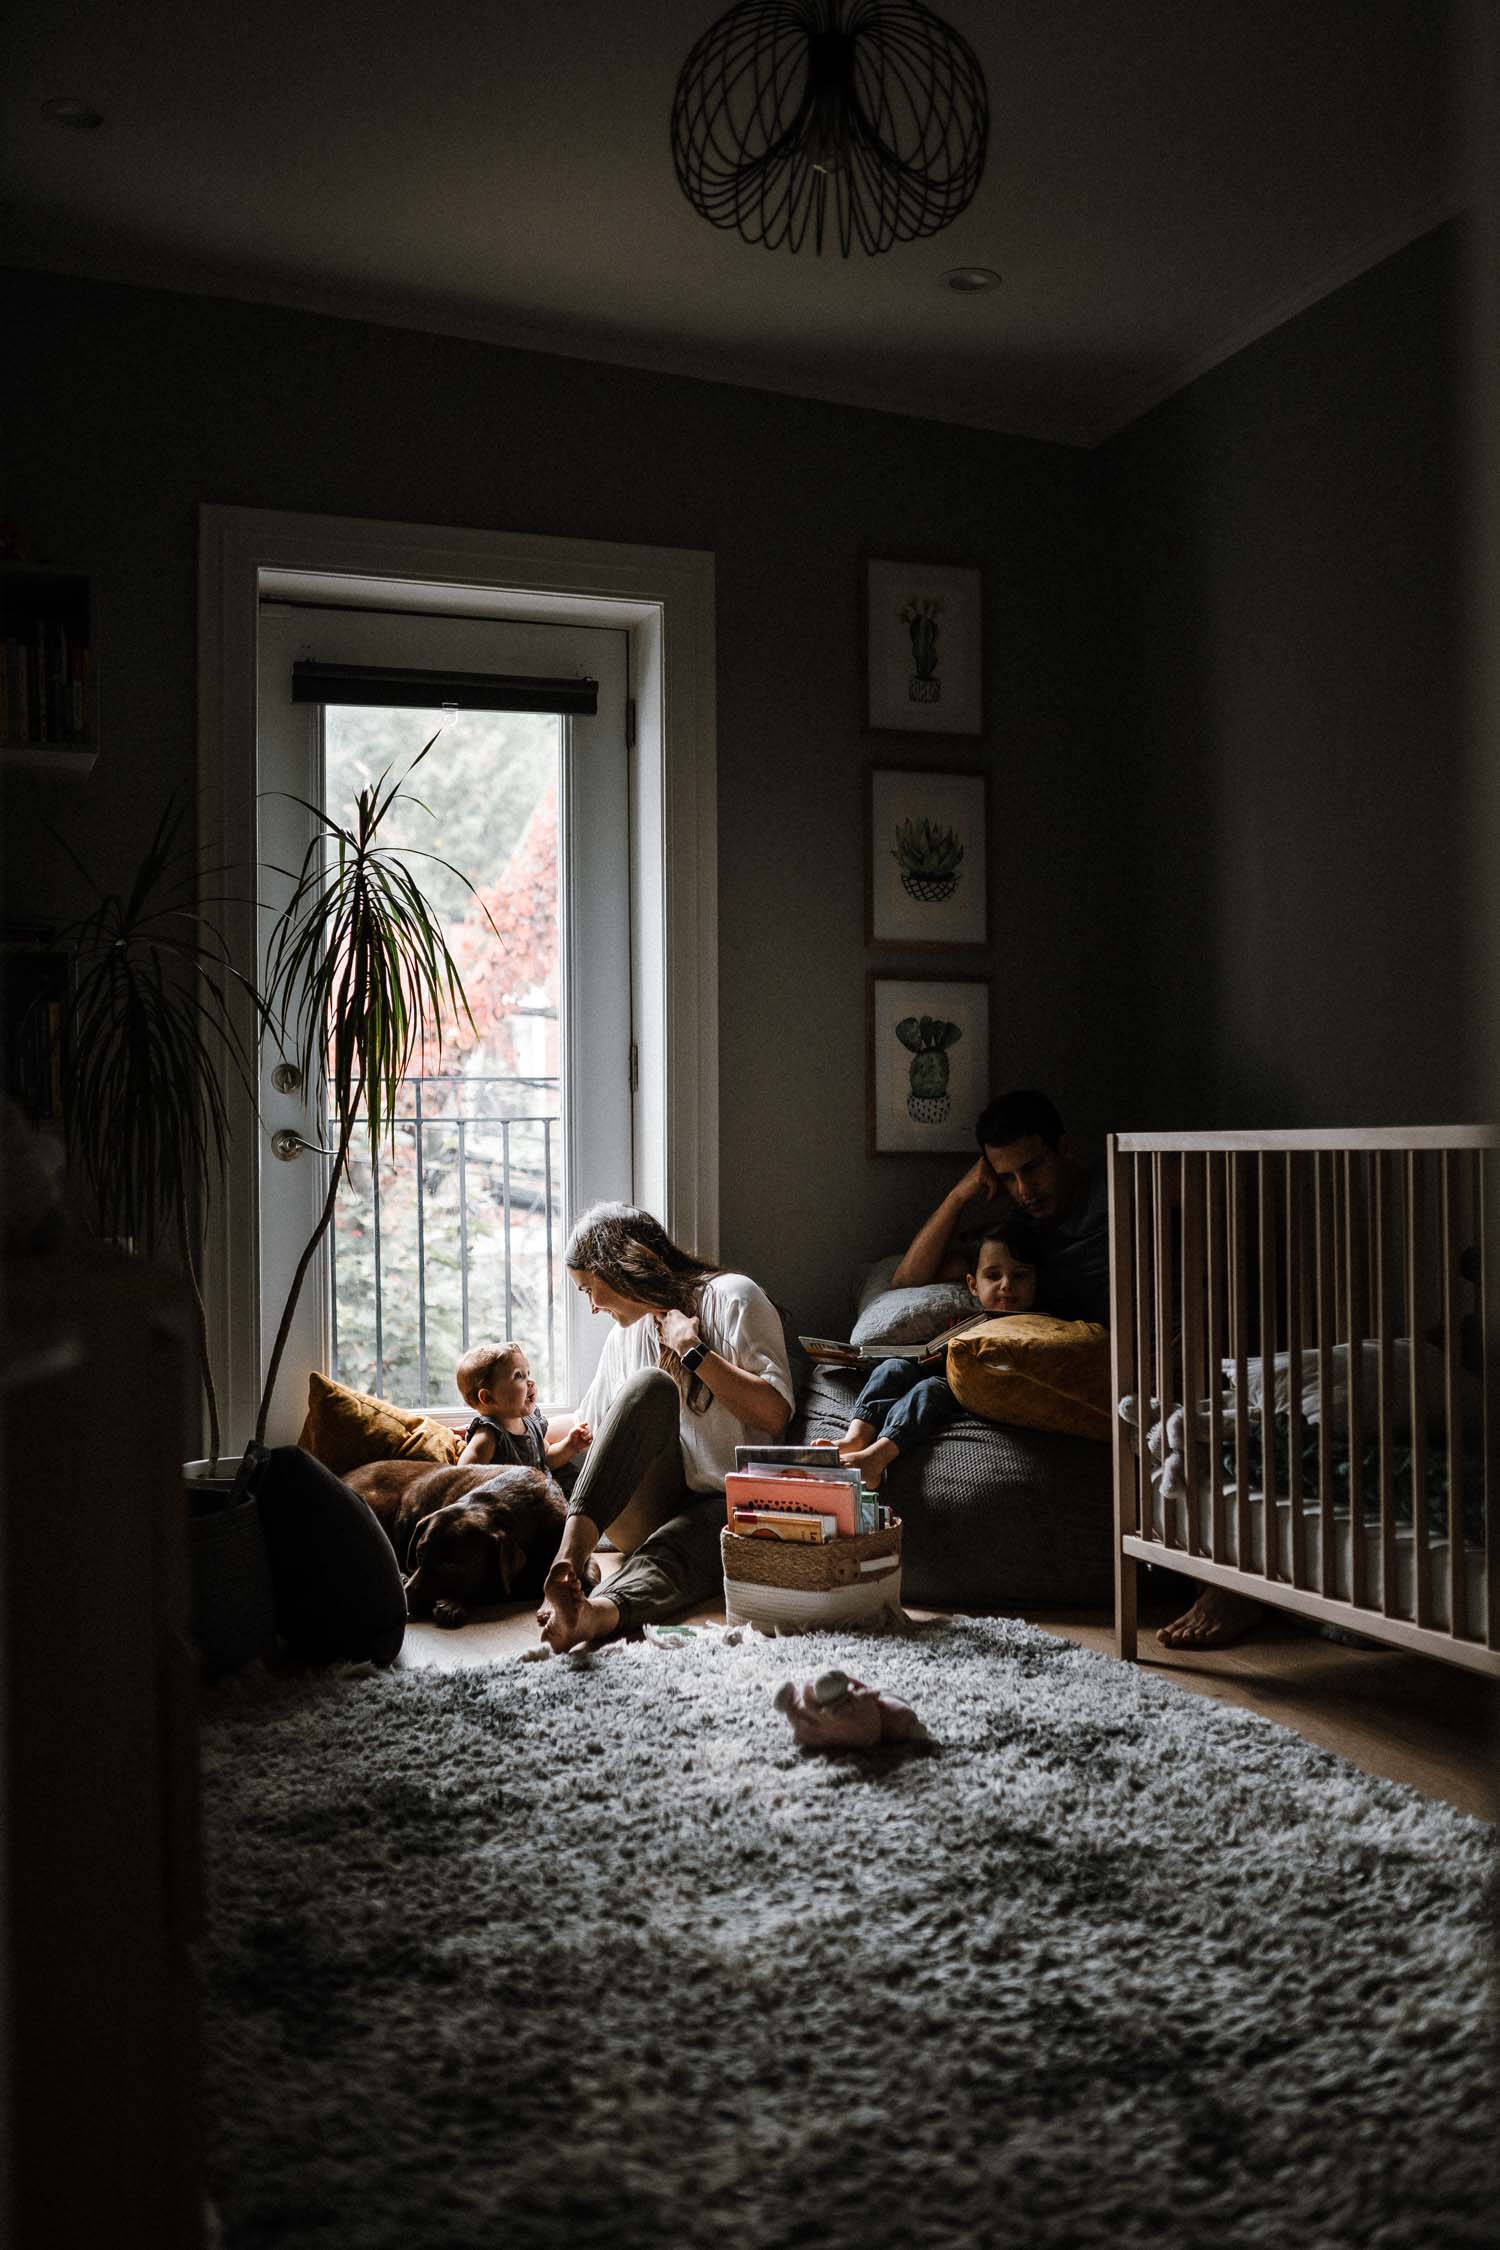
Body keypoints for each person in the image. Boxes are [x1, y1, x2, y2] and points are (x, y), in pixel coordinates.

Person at [535, 1203, 794, 1652]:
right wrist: (514, 1432)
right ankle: (567, 1565)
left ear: (617, 1268)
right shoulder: (625, 1335)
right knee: (650, 1386)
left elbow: (773, 1415)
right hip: (651, 1504)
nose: (593, 1307)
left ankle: (593, 1615)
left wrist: (693, 1351)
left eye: (589, 1290)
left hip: (729, 1506)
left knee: (691, 1547)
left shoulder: (734, 1297)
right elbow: (590, 1425)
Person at [831, 1214, 1041, 1487]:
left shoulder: (1038, 1326)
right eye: (993, 1276)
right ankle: (856, 1436)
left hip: (972, 1388)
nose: (1006, 1285)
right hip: (943, 1367)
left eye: (1020, 1275)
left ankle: (875, 1457)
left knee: (929, 1390)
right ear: (973, 1285)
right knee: (893, 1367)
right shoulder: (965, 1320)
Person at [891, 1087, 1109, 1326]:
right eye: (1007, 1177)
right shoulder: (1020, 1230)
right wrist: (958, 1196)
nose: (1024, 1190)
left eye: (1032, 1167)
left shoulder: (1115, 1191)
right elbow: (907, 1280)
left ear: (1064, 1148)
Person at [453, 1339, 592, 1473]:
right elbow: (464, 1475)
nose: (530, 1381)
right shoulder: (488, 1437)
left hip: (538, 1488)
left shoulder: (529, 1422)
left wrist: (570, 1446)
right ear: (487, 1397)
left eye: (528, 1373)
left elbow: (546, 1460)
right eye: (518, 1376)